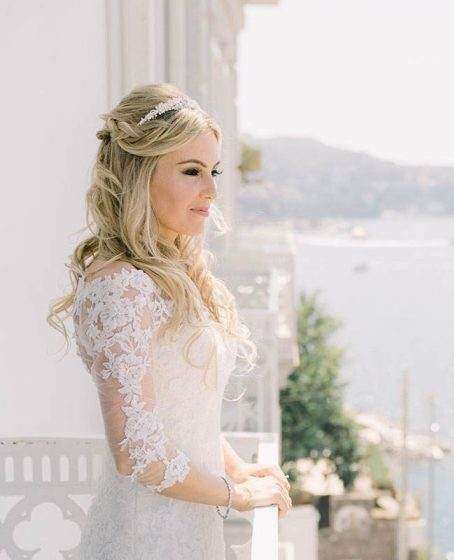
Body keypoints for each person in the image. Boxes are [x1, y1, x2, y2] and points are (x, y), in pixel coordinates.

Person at [46, 83, 292, 558]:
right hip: (142, 540)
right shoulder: (121, 287)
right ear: (140, 176)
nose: (211, 190)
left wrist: (236, 468)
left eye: (213, 171)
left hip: (189, 532)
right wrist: (236, 494)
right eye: (191, 171)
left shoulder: (165, 275)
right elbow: (137, 452)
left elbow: (181, 414)